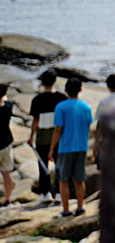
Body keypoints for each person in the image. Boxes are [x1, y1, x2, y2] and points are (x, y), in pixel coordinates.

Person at [49, 78, 93, 217]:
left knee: (63, 180)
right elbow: (88, 126)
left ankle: (66, 209)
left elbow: (57, 129)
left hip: (65, 148)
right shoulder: (86, 106)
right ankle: (80, 207)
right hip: (81, 147)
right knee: (79, 179)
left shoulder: (61, 107)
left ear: (65, 90)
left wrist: (51, 149)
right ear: (80, 90)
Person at [27, 69, 64, 204]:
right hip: (58, 136)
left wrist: (31, 137)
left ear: (42, 83)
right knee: (59, 164)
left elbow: (35, 121)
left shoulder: (37, 99)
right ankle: (60, 192)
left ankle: (45, 193)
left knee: (43, 165)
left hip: (42, 136)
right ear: (55, 81)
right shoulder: (61, 98)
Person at [0, 85, 15, 205]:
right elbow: (6, 101)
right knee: (6, 173)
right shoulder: (9, 107)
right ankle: (8, 198)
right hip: (6, 143)